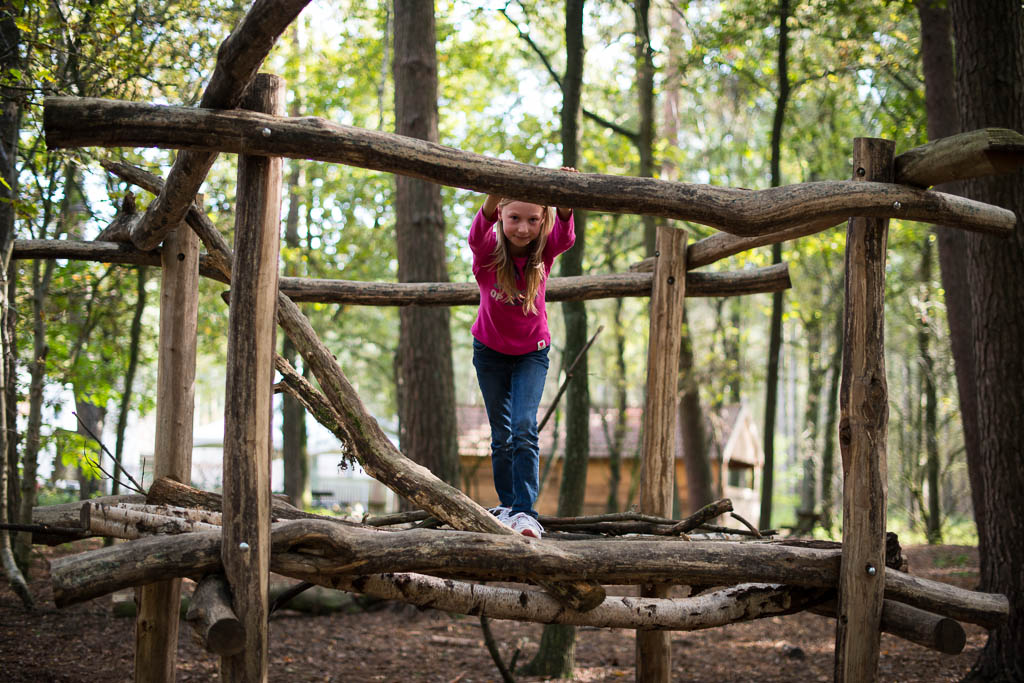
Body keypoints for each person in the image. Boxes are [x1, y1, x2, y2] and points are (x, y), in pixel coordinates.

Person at [469, 169, 577, 539]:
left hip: (531, 354)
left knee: (523, 428)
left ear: (542, 219)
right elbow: (476, 233)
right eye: (515, 218)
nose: (523, 228)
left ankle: (525, 512)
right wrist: (493, 191)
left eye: (533, 219)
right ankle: (508, 505)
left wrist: (563, 199)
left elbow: (565, 235)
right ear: (501, 214)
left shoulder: (542, 254)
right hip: (490, 354)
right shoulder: (486, 254)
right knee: (501, 433)